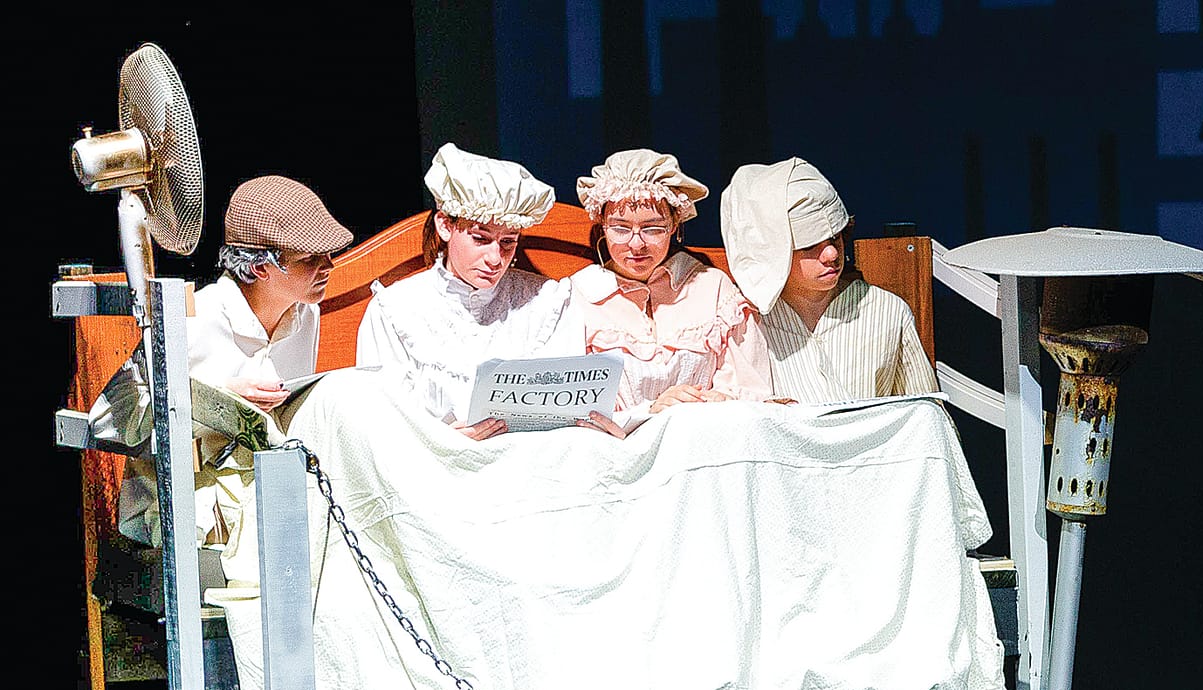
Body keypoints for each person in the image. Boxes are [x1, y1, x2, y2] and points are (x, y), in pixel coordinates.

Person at [90, 175, 352, 566]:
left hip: (267, 488)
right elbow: (105, 422)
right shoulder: (194, 319)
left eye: (328, 254)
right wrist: (218, 399)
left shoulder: (305, 315)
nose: (328, 266)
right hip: (183, 505)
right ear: (262, 266)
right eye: (311, 258)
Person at [356, 143, 570, 435]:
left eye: (508, 242)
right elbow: (380, 422)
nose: (495, 259)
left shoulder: (546, 302)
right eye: (481, 238)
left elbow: (566, 412)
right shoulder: (396, 309)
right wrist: (446, 442)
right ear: (445, 226)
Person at [567, 149, 772, 436]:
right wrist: (649, 412)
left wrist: (719, 401)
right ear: (602, 226)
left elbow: (753, 389)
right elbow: (571, 412)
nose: (636, 244)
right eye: (620, 228)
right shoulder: (576, 297)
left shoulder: (713, 288)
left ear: (675, 226)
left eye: (652, 229)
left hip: (708, 442)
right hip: (615, 456)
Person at [718, 158, 936, 402]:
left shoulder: (886, 311)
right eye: (810, 245)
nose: (832, 254)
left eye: (835, 238)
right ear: (772, 253)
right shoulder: (745, 323)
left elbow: (925, 412)